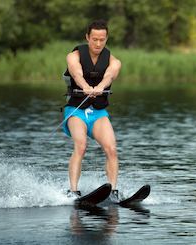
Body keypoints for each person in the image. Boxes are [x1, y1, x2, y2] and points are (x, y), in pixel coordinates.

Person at [62, 19, 122, 200]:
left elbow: (111, 74)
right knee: (81, 146)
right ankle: (73, 191)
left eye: (102, 39)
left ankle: (112, 191)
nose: (98, 43)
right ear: (87, 37)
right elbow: (76, 72)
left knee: (111, 149)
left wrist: (102, 86)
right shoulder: (73, 56)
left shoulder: (114, 61)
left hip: (98, 113)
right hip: (76, 110)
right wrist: (85, 86)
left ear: (106, 39)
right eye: (94, 39)